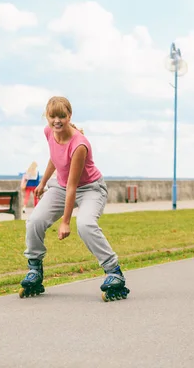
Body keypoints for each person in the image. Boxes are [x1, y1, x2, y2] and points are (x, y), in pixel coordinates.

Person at [19, 96, 129, 301]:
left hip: (90, 189)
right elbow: (55, 156)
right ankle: (34, 269)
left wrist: (65, 222)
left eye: (62, 116)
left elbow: (73, 186)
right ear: (47, 116)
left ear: (69, 116)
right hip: (60, 186)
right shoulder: (49, 132)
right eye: (52, 117)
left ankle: (114, 272)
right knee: (35, 221)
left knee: (85, 224)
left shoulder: (79, 145)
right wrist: (43, 183)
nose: (57, 121)